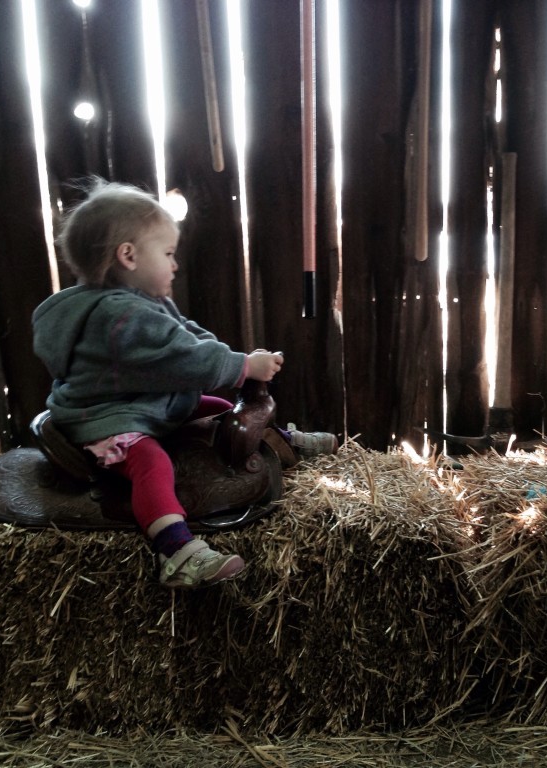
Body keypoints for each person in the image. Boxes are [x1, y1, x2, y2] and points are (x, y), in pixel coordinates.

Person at [33, 179, 337, 589]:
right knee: (150, 463)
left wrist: (233, 360)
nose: (175, 264)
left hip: (138, 399)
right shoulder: (120, 317)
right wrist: (244, 366)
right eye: (168, 253)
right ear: (128, 255)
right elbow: (181, 357)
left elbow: (187, 335)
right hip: (109, 417)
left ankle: (281, 440)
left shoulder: (138, 303)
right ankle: (176, 551)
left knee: (213, 405)